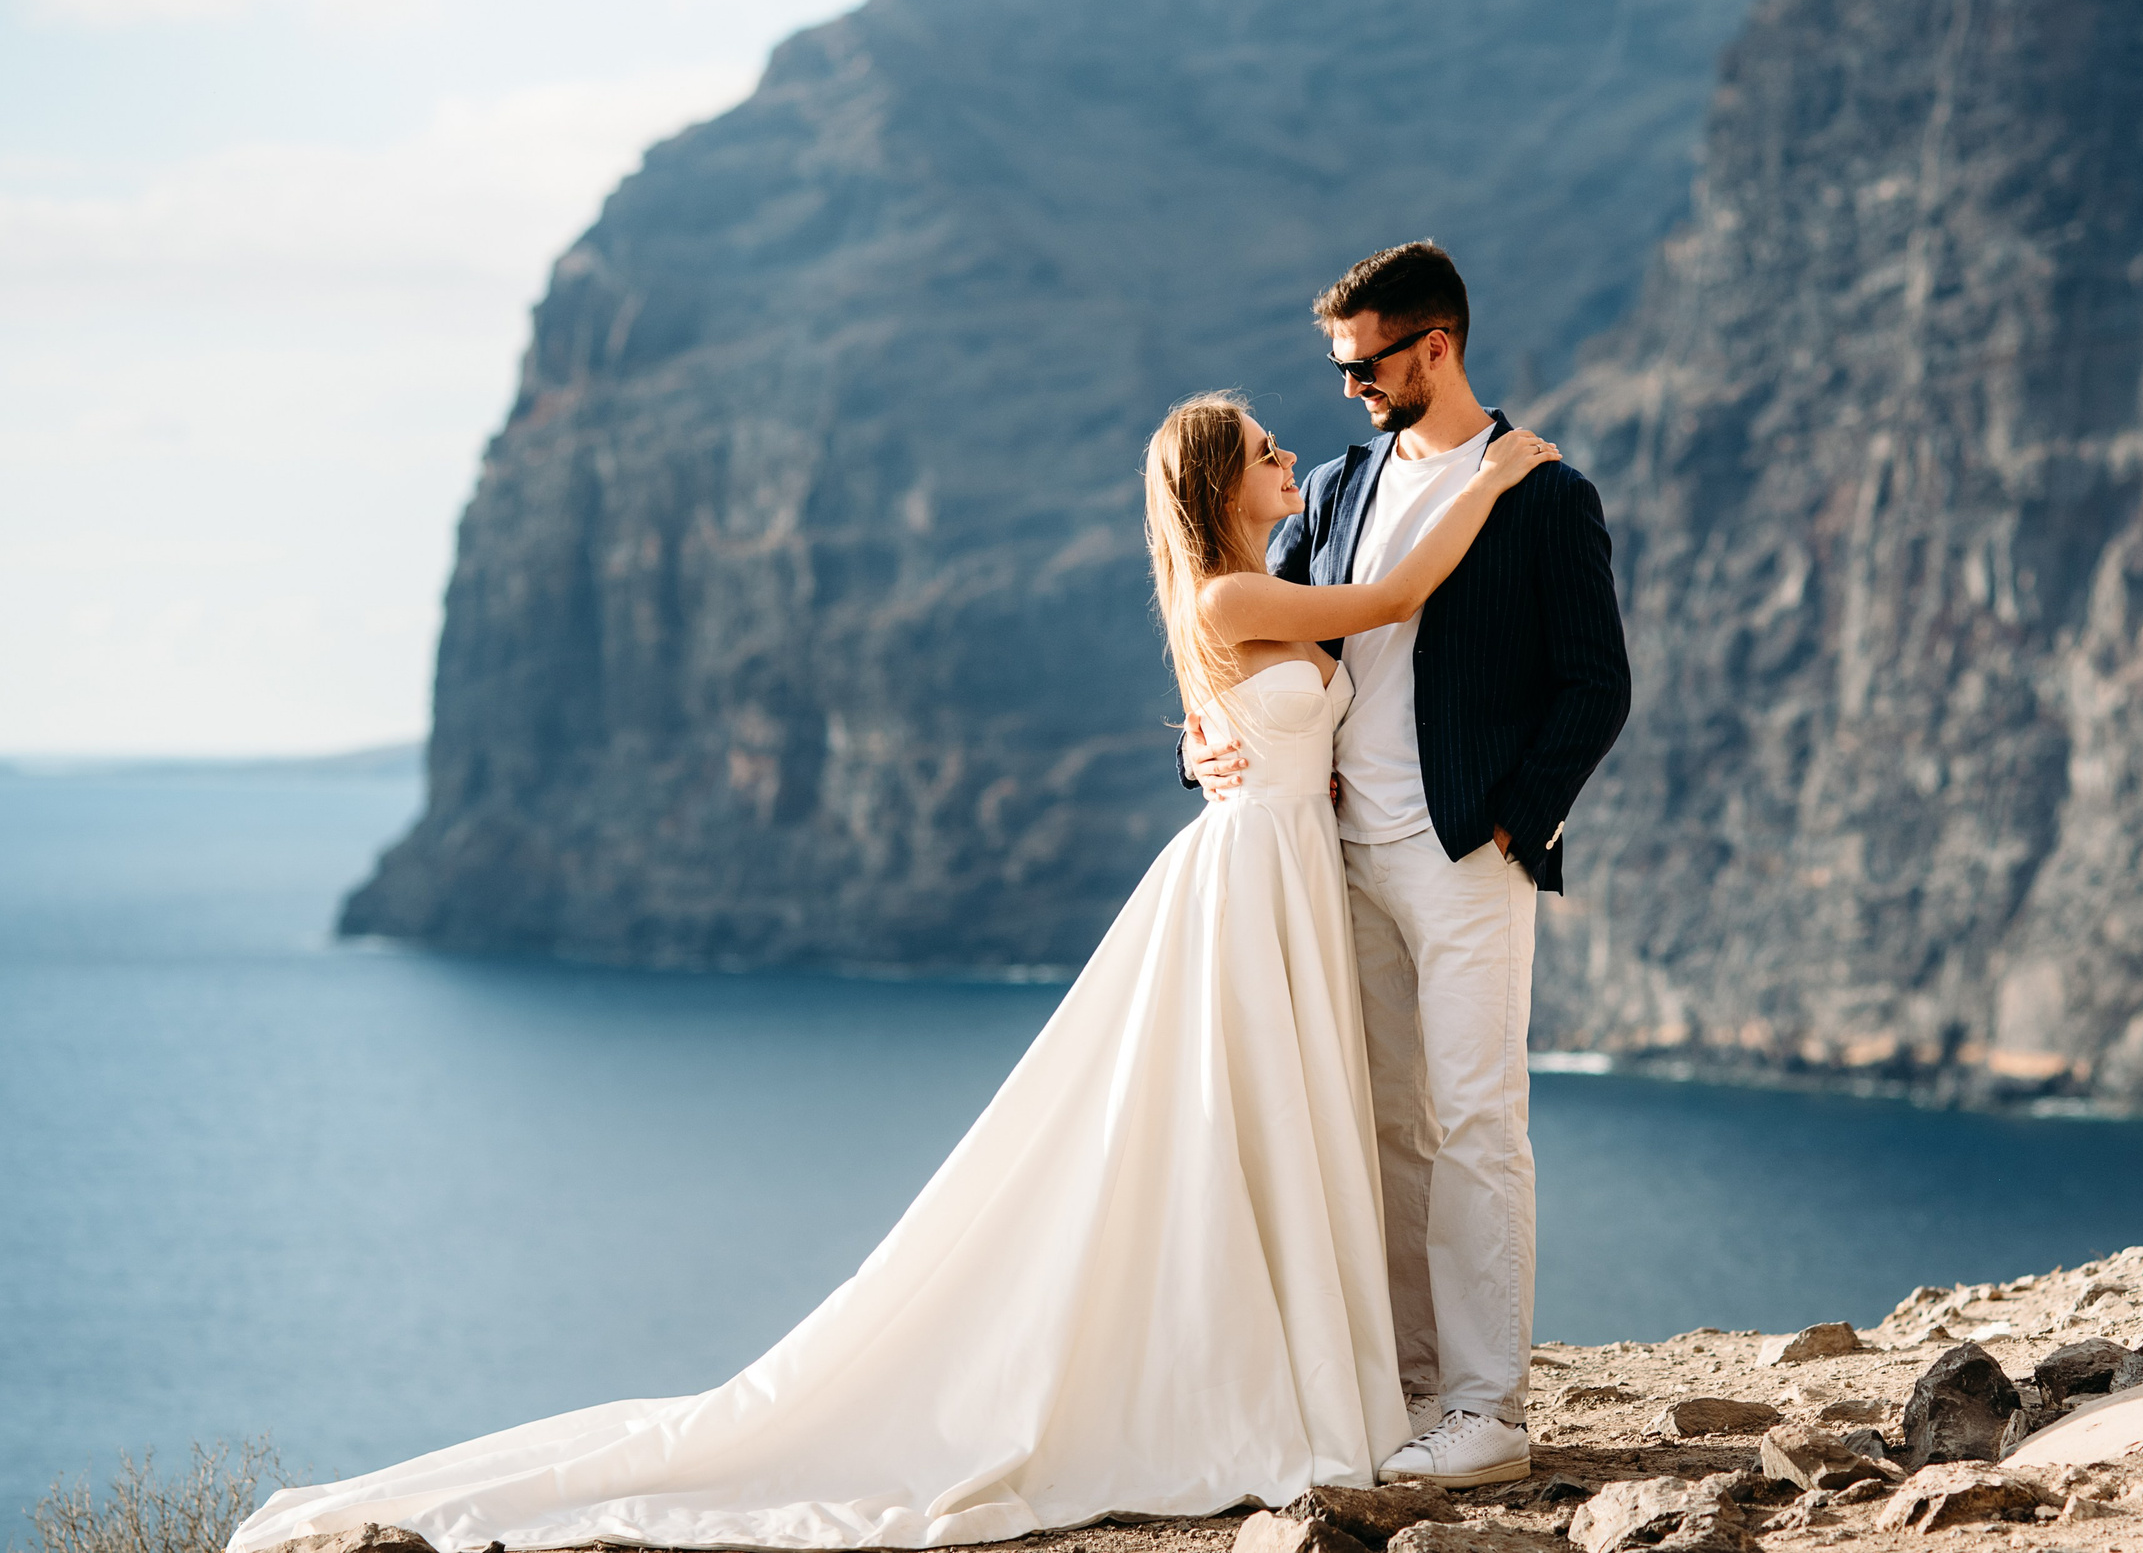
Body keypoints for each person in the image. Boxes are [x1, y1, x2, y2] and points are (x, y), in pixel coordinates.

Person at [225, 394, 1561, 1553]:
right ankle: (1251, 1381)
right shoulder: (1229, 595)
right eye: (1264, 449)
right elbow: (1391, 601)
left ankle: (1306, 1365)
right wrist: (1495, 476)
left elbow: (1292, 697)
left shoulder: (1262, 574)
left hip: (1295, 875)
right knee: (1229, 1130)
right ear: (1220, 482)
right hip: (1252, 881)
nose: (1290, 457)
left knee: (1282, 1127)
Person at [1185, 242, 1631, 1490]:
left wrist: (1514, 823)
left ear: (1435, 346)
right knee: (1384, 1124)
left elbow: (1596, 685)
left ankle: (1489, 1411)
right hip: (1337, 858)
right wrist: (1205, 748)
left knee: (1478, 1121)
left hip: (1463, 853)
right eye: (1340, 365)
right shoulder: (1333, 489)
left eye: (1365, 362)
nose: (1348, 387)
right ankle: (1415, 1387)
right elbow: (1254, 638)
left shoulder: (1544, 494)